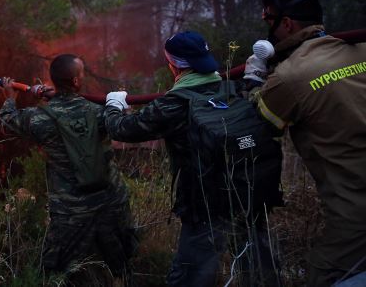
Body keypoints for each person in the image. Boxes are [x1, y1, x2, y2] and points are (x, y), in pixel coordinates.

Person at [104, 31, 282, 286]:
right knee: (260, 267)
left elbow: (122, 129)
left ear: (173, 65)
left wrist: (114, 104)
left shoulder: (173, 105)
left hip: (205, 203)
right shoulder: (234, 88)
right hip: (249, 190)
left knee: (191, 275)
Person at [253, 0, 366, 286]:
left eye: (269, 21)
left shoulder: (290, 77)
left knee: (324, 274)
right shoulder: (360, 48)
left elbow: (261, 123)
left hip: (355, 212)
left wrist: (254, 81)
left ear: (287, 24)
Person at [0, 54, 137, 284]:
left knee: (61, 273)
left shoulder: (41, 117)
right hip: (111, 202)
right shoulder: (99, 111)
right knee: (121, 267)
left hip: (71, 211)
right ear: (75, 82)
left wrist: (10, 97)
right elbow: (124, 123)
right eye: (81, 73)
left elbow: (7, 122)